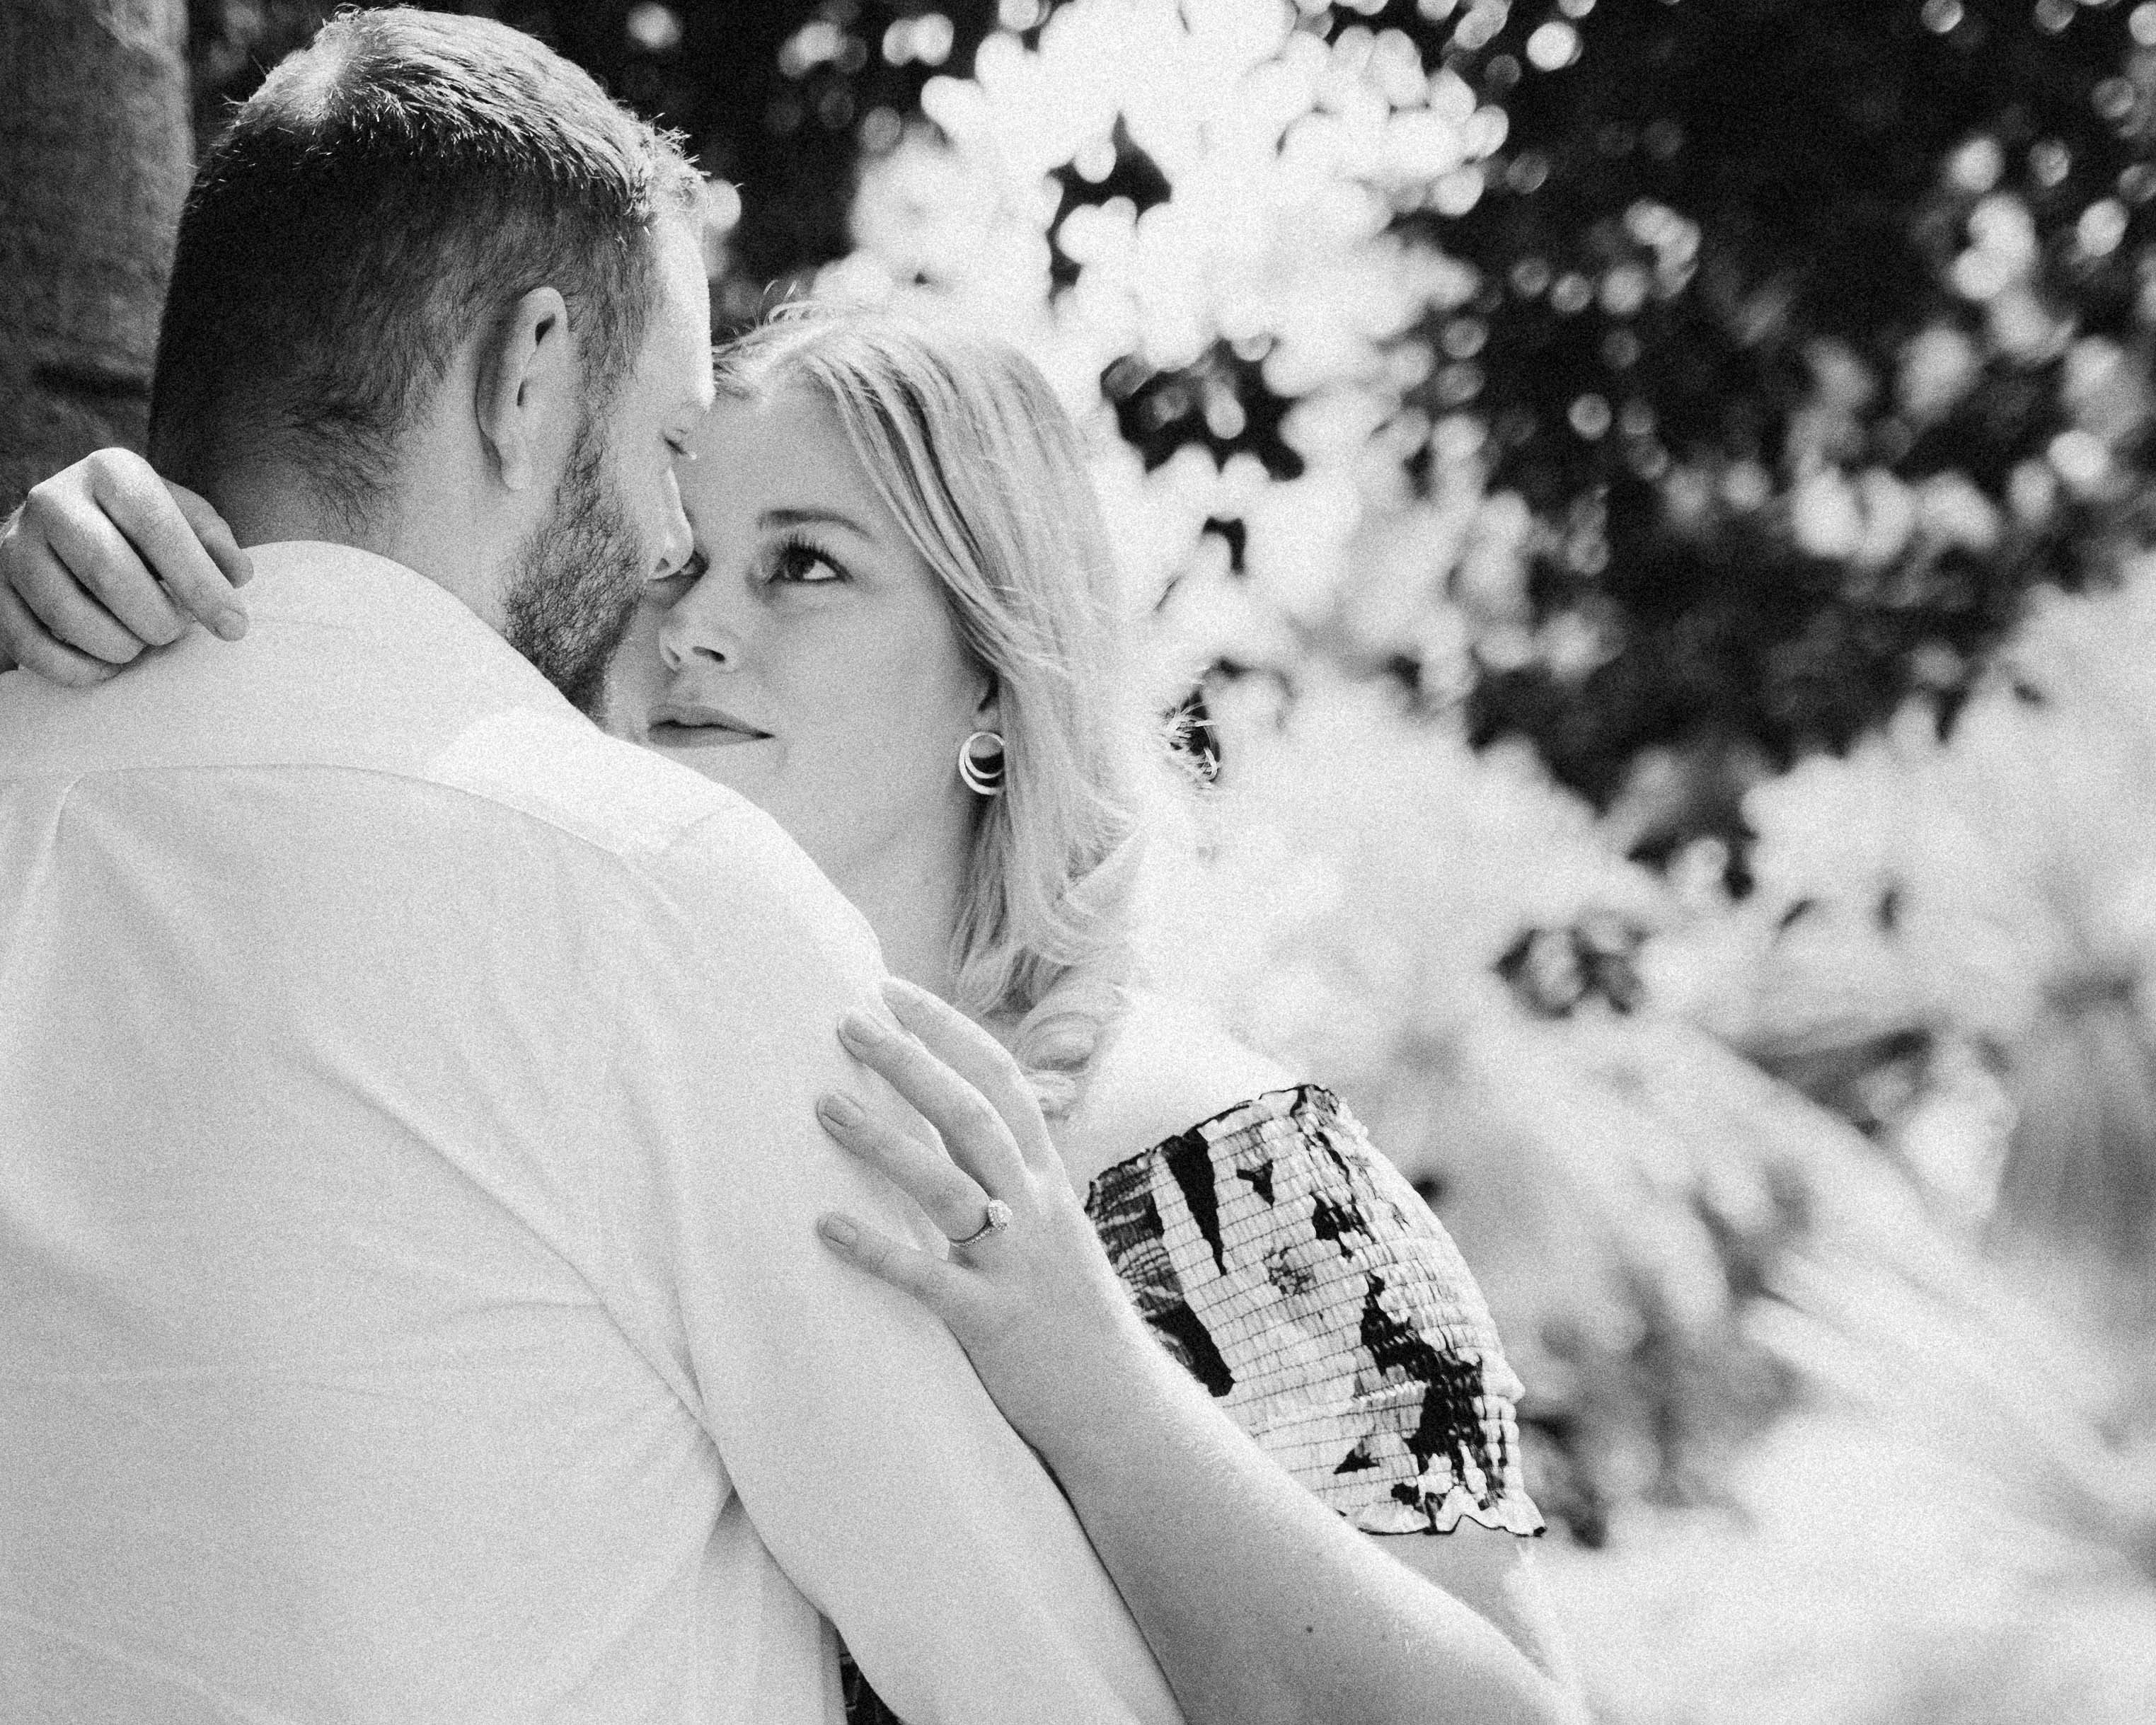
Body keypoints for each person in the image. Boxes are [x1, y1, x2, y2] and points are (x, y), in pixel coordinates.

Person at [4, 305, 1585, 1724]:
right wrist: (139, 571)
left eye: (804, 566)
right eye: (673, 561)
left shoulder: (1234, 1170)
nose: (692, 626)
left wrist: (1090, 1371)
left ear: (992, 676)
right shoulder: (553, 1053)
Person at [0, 14, 1180, 1723]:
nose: (666, 556)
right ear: (530, 373)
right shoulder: (663, 900)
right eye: (671, 442)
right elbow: (1054, 1692)